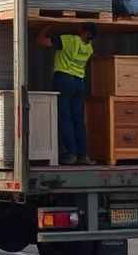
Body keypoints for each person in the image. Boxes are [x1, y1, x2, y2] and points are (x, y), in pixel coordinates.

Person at [36, 23, 98, 165]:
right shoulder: (89, 47)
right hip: (79, 82)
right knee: (78, 120)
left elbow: (40, 40)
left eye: (80, 27)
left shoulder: (69, 40)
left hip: (64, 79)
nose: (77, 28)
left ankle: (71, 154)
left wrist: (47, 26)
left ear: (84, 31)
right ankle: (82, 155)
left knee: (65, 117)